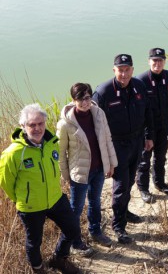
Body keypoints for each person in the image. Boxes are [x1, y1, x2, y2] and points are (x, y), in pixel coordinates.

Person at [0, 104, 81, 274]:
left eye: (40, 124)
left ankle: (59, 259)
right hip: (31, 205)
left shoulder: (52, 143)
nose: (37, 128)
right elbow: (6, 183)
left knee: (73, 228)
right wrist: (23, 199)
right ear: (23, 126)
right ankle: (39, 269)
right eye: (32, 125)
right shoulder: (13, 153)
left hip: (55, 199)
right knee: (34, 242)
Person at [93, 54, 154, 244]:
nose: (124, 74)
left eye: (127, 69)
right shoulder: (103, 92)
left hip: (136, 142)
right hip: (116, 145)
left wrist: (149, 136)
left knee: (129, 183)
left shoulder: (139, 86)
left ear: (132, 70)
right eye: (120, 70)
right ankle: (119, 226)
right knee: (120, 186)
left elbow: (147, 113)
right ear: (114, 70)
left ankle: (124, 212)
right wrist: (103, 156)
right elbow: (96, 126)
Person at [57, 83, 118, 253]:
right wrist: (66, 175)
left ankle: (95, 231)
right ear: (73, 100)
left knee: (95, 202)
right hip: (80, 173)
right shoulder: (65, 124)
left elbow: (107, 139)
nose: (85, 102)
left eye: (88, 97)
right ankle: (76, 241)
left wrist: (111, 163)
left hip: (98, 169)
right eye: (80, 99)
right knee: (75, 209)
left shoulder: (99, 113)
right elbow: (61, 153)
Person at [136, 48, 168, 201]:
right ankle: (143, 189)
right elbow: (140, 109)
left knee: (161, 157)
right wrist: (146, 134)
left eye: (160, 60)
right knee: (144, 159)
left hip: (165, 126)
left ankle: (159, 183)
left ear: (164, 61)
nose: (157, 63)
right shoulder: (140, 81)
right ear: (149, 61)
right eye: (154, 60)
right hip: (147, 127)